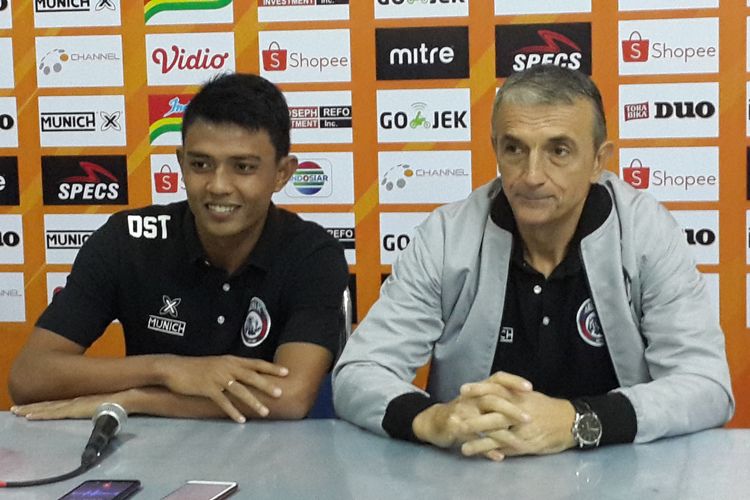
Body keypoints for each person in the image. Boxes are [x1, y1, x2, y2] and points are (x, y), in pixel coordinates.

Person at [333, 64, 734, 460]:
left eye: (558, 150)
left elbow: (706, 384)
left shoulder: (646, 232)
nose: (531, 175)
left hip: (625, 478)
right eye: (514, 149)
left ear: (599, 160)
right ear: (496, 150)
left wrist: (576, 422)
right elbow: (359, 372)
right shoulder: (446, 236)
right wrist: (431, 420)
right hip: (475, 477)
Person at [9, 73, 349, 423]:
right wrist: (165, 368)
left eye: (243, 167)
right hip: (150, 455)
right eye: (200, 164)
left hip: (276, 460)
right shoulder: (128, 238)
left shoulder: (312, 253)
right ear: (180, 161)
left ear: (282, 173)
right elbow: (29, 377)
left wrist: (137, 400)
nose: (218, 186)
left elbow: (290, 398)